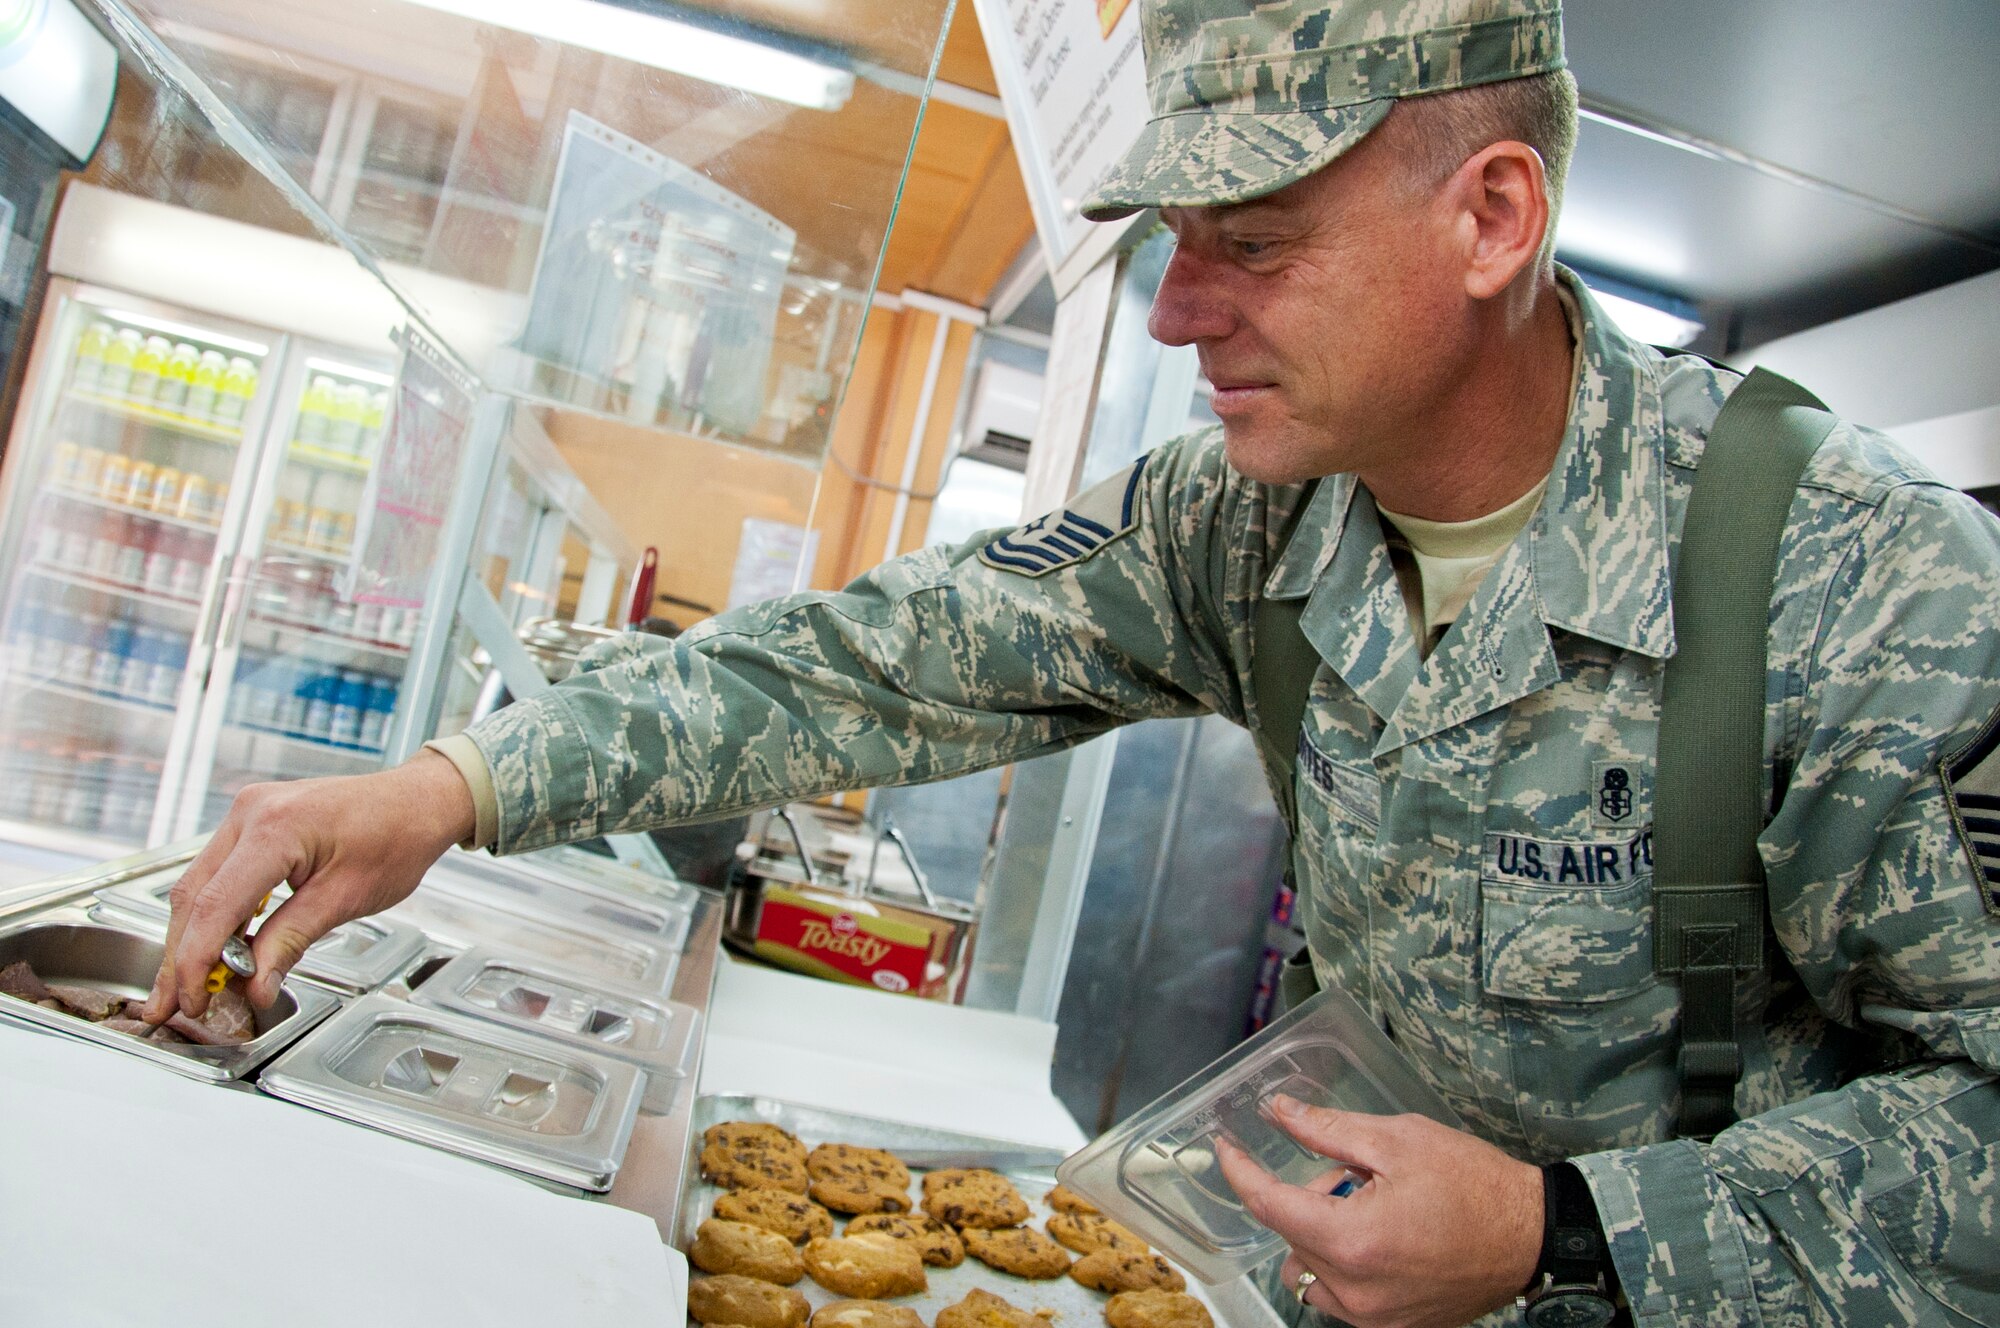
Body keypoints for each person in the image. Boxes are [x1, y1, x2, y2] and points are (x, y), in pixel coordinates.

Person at [145, 1, 2000, 1324]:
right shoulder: (1252, 523)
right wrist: (457, 786)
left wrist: (1568, 1234)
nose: (1183, 312)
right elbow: (872, 665)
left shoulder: (1853, 589)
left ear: (1491, 218)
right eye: (1179, 245)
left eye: (1253, 246)